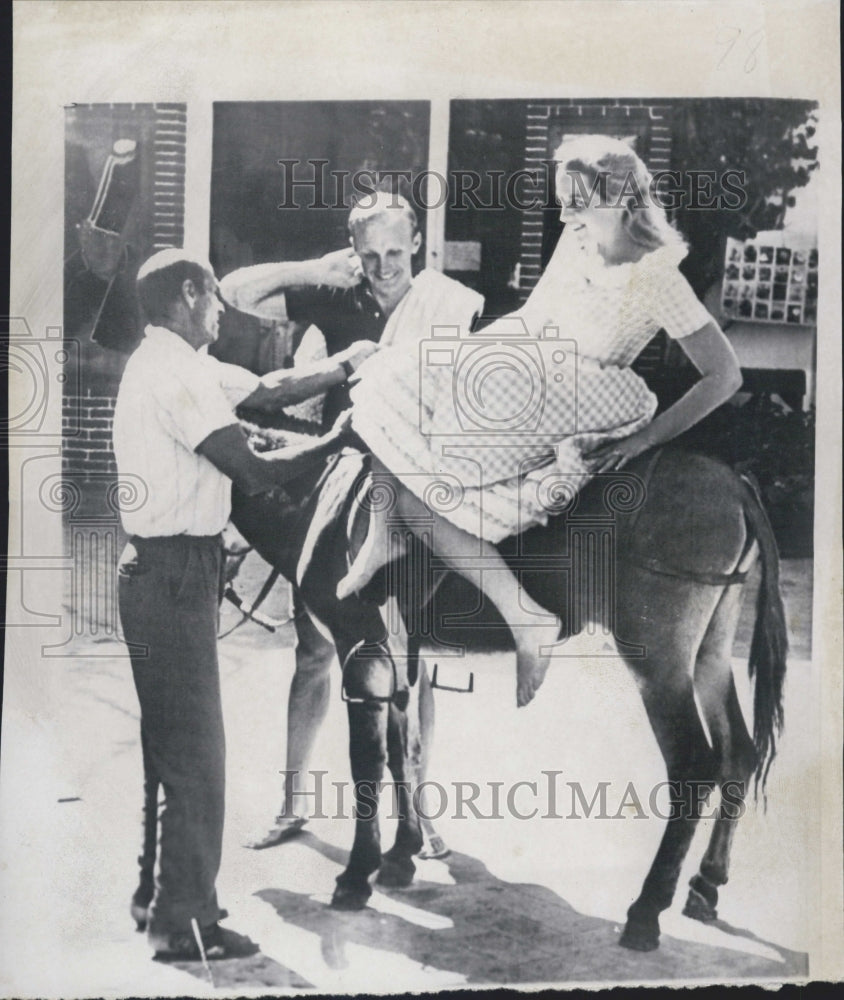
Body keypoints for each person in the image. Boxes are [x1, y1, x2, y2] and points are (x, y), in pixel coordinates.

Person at [337, 135, 743, 708]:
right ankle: (383, 536)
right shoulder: (574, 247)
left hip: (585, 393)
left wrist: (643, 439)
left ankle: (527, 620)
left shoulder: (656, 275)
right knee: (392, 370)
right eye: (562, 203)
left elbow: (724, 376)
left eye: (579, 203)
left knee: (432, 473)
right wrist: (468, 355)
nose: (568, 216)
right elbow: (531, 318)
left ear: (622, 197)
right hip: (531, 368)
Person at [113, 248, 360, 961]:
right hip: (172, 577)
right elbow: (251, 471)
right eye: (215, 296)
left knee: (173, 753)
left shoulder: (170, 362)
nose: (223, 311)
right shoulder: (176, 374)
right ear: (190, 294)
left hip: (165, 573)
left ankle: (161, 902)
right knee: (197, 760)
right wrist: (337, 443)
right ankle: (186, 927)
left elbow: (272, 388)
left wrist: (347, 365)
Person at [219, 191, 483, 853]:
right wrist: (312, 266)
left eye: (395, 251)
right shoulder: (339, 297)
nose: (384, 265)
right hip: (340, 494)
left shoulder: (446, 305)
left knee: (409, 660)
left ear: (417, 243)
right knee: (314, 649)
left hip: (417, 492)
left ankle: (420, 812)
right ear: (354, 252)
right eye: (370, 254)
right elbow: (231, 293)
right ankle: (292, 803)